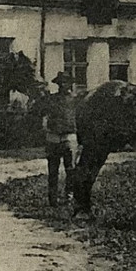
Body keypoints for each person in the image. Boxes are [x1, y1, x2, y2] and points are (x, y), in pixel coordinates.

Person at [40, 72, 81, 207]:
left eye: (66, 82)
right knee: (53, 171)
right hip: (53, 139)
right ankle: (52, 199)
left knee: (71, 170)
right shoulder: (50, 99)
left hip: (69, 139)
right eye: (61, 82)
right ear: (57, 84)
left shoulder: (76, 100)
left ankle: (69, 197)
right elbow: (41, 112)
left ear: (70, 84)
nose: (63, 85)